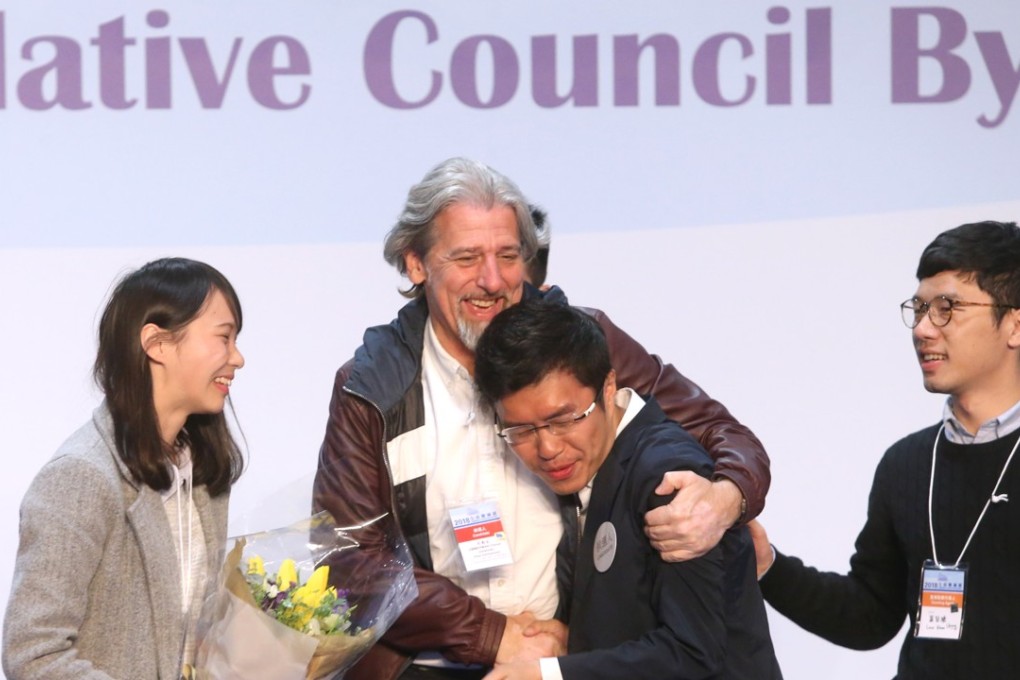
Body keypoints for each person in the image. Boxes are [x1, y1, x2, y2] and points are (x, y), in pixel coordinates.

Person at [313, 157, 771, 680]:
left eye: (508, 255)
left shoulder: (581, 340)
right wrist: (496, 636)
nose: (492, 280)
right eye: (466, 257)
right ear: (416, 264)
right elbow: (350, 561)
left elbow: (720, 433)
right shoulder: (372, 384)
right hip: (425, 665)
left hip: (567, 662)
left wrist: (725, 498)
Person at [750, 220, 1020, 679]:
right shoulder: (907, 463)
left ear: (1014, 324)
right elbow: (870, 616)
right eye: (918, 309)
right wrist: (767, 566)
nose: (922, 329)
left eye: (947, 308)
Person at [473, 299, 782, 680]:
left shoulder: (669, 477)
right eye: (521, 431)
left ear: (608, 388)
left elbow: (693, 652)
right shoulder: (597, 469)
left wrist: (551, 676)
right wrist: (576, 642)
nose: (548, 449)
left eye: (564, 420)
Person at [2, 258, 246, 679]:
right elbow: (33, 652)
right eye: (224, 338)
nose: (238, 358)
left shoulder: (203, 474)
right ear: (157, 344)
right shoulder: (80, 478)